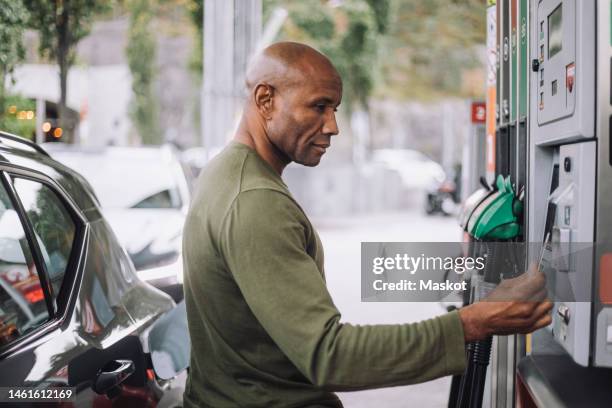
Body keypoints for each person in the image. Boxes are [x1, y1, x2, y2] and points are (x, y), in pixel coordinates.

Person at [182, 41, 552, 408]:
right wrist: (474, 322)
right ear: (266, 100)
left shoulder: (226, 174)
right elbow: (330, 356)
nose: (333, 126)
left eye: (335, 108)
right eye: (319, 106)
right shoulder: (254, 199)